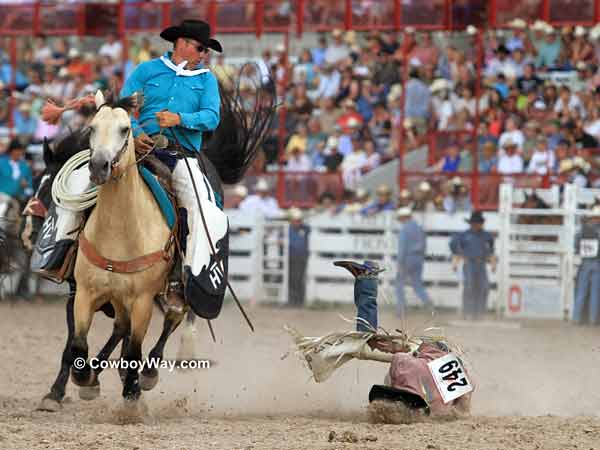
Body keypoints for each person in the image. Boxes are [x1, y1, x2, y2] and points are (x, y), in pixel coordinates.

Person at [449, 211, 496, 320]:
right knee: (469, 287)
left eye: (478, 223)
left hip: (481, 264)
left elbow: (491, 252)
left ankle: (479, 313)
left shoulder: (487, 236)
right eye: (474, 223)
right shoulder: (464, 236)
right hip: (469, 263)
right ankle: (467, 312)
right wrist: (456, 262)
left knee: (484, 287)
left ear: (481, 224)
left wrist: (493, 264)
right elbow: (457, 251)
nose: (476, 225)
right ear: (471, 224)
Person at [395, 207, 433, 318]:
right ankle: (428, 304)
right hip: (418, 259)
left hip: (407, 258)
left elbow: (402, 248)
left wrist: (400, 263)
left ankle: (401, 310)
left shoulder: (404, 229)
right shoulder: (419, 228)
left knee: (399, 284)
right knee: (417, 284)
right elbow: (424, 245)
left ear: (403, 217)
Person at [573, 205, 600, 325]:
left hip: (585, 262)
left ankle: (576, 318)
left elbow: (576, 244)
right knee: (595, 292)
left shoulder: (582, 230)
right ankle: (592, 319)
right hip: (597, 262)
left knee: (581, 291)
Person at [288, 208, 310, 307]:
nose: (297, 222)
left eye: (299, 220)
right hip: (290, 256)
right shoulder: (287, 229)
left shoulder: (305, 229)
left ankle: (299, 300)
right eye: (295, 220)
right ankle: (292, 299)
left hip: (301, 257)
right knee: (291, 278)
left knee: (299, 278)